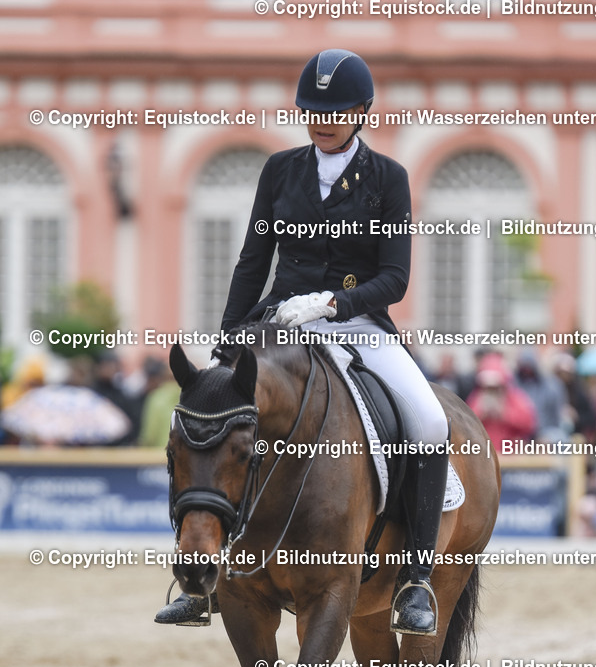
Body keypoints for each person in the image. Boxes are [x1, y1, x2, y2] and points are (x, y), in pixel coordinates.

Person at [157, 48, 449, 635]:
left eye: (335, 111)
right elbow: (251, 260)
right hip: (279, 322)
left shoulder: (388, 179)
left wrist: (334, 303)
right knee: (200, 419)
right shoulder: (280, 170)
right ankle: (199, 576)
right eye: (312, 110)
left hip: (356, 324)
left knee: (429, 423)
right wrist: (226, 343)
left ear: (362, 110)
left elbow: (395, 277)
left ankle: (416, 577)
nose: (321, 120)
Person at [466, 353, 537, 452]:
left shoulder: (515, 397)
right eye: (487, 386)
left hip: (511, 455)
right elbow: (466, 425)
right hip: (484, 454)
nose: (491, 390)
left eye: (495, 386)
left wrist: (504, 414)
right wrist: (481, 414)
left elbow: (530, 424)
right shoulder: (476, 398)